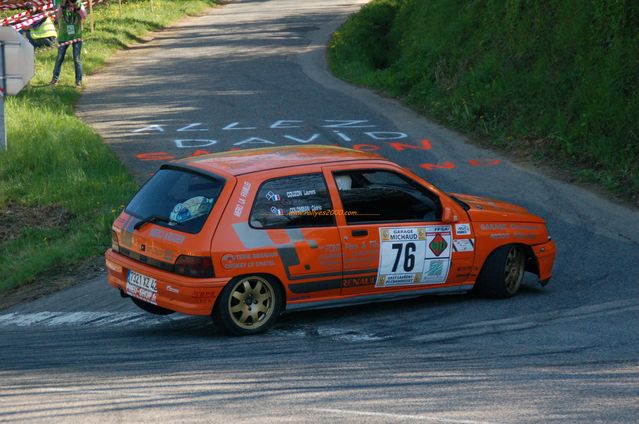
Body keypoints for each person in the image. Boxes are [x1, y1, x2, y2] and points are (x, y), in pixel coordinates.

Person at [50, 0, 86, 87]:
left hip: (76, 36)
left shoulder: (78, 3)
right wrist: (62, 7)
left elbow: (84, 16)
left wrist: (77, 7)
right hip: (63, 36)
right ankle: (55, 79)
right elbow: (57, 17)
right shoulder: (61, 4)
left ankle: (78, 81)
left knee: (76, 59)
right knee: (59, 58)